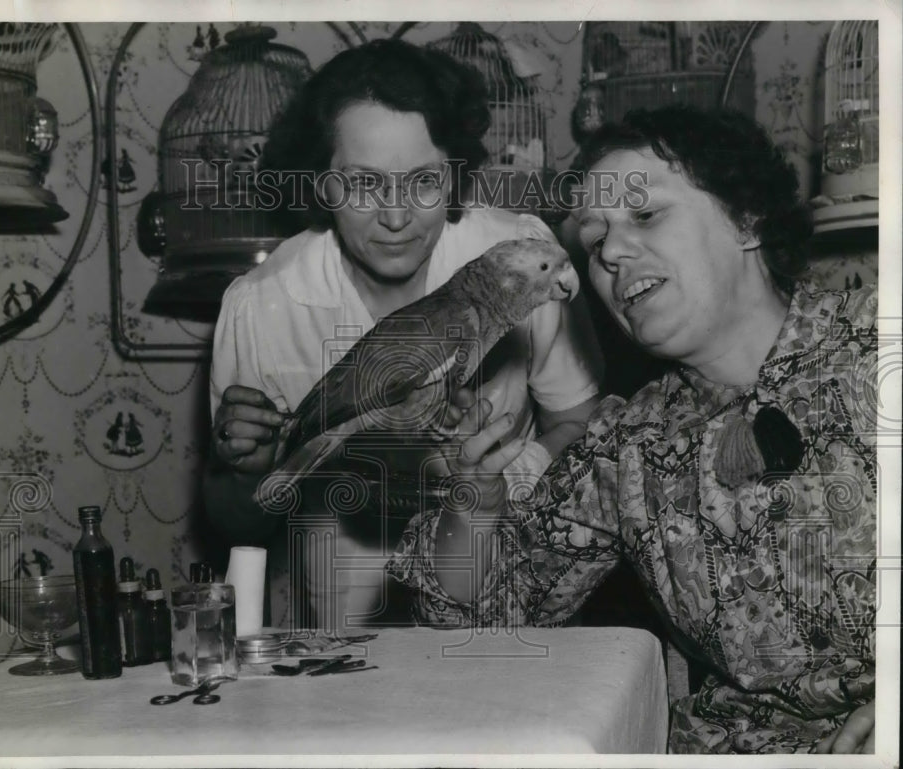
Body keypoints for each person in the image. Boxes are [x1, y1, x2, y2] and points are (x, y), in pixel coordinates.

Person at [388, 105, 877, 754]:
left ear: (747, 218)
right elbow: (480, 628)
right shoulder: (628, 443)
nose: (612, 253)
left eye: (645, 216)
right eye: (595, 242)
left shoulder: (876, 347)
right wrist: (473, 503)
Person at [205, 39, 603, 631]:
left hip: (507, 616)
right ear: (320, 183)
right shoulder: (259, 306)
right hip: (344, 633)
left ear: (455, 173)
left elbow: (584, 425)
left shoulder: (524, 261)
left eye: (423, 180)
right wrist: (248, 469)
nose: (395, 217)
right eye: (362, 182)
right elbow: (236, 524)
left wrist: (504, 480)